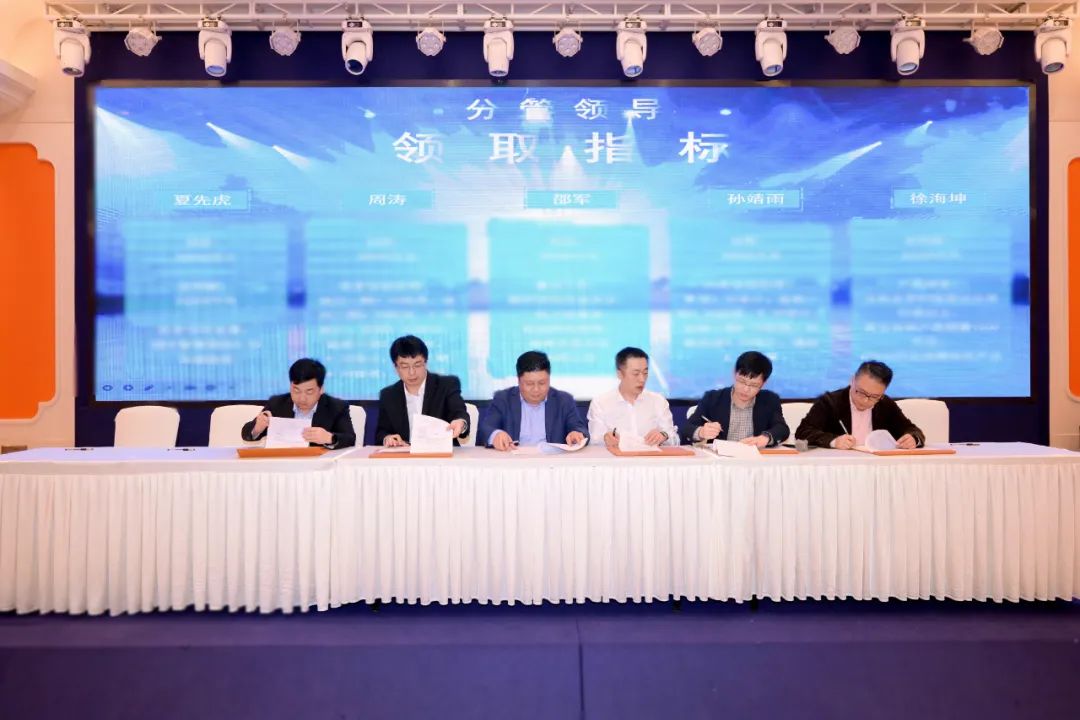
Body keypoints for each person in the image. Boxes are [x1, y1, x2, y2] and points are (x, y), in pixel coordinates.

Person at [795, 360, 924, 450]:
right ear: (852, 380)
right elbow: (803, 432)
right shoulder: (830, 402)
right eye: (861, 392)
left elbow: (913, 430)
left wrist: (913, 439)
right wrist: (834, 441)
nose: (865, 401)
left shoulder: (885, 405)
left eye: (874, 397)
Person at [478, 350, 589, 451]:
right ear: (518, 380)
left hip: (552, 462)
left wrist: (576, 434)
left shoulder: (563, 400)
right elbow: (486, 428)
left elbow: (579, 428)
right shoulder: (503, 399)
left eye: (542, 383)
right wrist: (495, 435)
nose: (536, 389)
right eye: (529, 384)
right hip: (514, 461)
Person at [375, 335, 470, 447]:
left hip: (440, 452)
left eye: (417, 365)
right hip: (404, 454)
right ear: (396, 368)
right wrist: (387, 438)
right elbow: (381, 432)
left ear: (426, 363)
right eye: (405, 366)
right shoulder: (388, 395)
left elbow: (459, 412)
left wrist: (461, 423)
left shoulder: (446, 385)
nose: (412, 372)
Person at [680, 350, 789, 447]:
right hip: (721, 460)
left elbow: (782, 429)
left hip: (755, 459)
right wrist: (701, 432)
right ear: (734, 373)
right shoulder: (713, 398)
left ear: (764, 383)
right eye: (742, 381)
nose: (746, 389)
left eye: (754, 385)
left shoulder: (769, 400)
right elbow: (686, 428)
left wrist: (765, 437)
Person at [241, 357, 355, 448]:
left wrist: (330, 438)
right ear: (290, 386)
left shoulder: (336, 407)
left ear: (321, 389)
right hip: (283, 465)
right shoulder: (277, 404)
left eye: (309, 392)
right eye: (296, 390)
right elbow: (246, 433)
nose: (302, 398)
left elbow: (350, 438)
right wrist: (257, 428)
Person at [587, 347, 678, 447]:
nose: (642, 379)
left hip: (650, 457)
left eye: (645, 373)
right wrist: (605, 438)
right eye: (636, 374)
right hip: (615, 457)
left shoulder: (658, 401)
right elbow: (594, 441)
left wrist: (664, 435)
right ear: (619, 374)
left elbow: (674, 440)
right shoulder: (600, 403)